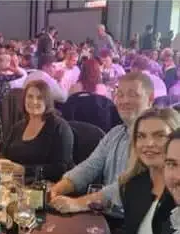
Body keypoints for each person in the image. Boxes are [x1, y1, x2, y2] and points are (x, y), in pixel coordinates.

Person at [50, 72, 154, 208]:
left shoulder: (154, 140)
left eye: (133, 95)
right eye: (120, 95)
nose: (124, 101)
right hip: (108, 212)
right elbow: (90, 166)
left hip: (136, 217)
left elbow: (130, 185)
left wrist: (79, 203)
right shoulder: (115, 133)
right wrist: (58, 188)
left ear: (150, 99)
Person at [0, 80, 74, 182]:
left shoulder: (60, 127)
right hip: (14, 183)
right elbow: (5, 155)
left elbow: (60, 168)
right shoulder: (17, 127)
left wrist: (24, 170)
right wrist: (1, 164)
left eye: (40, 98)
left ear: (47, 101)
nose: (34, 101)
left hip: (46, 186)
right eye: (30, 96)